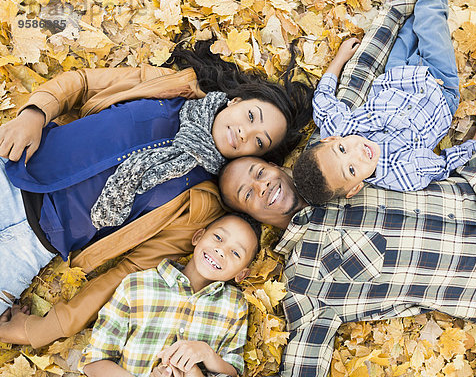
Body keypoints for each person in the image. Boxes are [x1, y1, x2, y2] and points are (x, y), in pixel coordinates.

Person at [217, 0, 476, 377]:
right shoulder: (304, 282)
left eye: (258, 172)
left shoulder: (329, 150)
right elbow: (302, 364)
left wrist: (399, 6)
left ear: (276, 165)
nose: (262, 186)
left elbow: (360, 75)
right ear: (253, 218)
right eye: (248, 194)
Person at [0, 40, 311, 348]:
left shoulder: (199, 205)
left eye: (259, 141)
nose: (246, 132)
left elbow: (128, 271)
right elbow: (81, 83)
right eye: (252, 116)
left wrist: (46, 330)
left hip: (32, 244)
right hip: (13, 167)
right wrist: (35, 112)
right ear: (236, 101)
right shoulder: (171, 86)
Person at [292, 0, 476, 206]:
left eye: (342, 149)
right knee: (430, 17)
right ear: (355, 188)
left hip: (396, 73)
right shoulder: (401, 174)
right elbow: (443, 165)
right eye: (351, 169)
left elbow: (323, 99)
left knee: (409, 22)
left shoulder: (340, 127)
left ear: (332, 139)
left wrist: (339, 59)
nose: (357, 153)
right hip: (439, 88)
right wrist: (474, 147)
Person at [79, 214, 260, 377]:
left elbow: (233, 370)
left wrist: (206, 354)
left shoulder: (235, 305)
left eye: (235, 253)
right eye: (218, 238)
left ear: (241, 275)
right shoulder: (137, 285)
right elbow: (93, 361)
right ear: (198, 237)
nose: (221, 250)